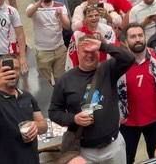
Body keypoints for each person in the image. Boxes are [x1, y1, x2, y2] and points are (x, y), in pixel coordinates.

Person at [49, 36, 133, 164]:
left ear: (99, 52)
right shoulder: (65, 80)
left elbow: (129, 58)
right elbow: (54, 112)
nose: (89, 55)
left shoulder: (108, 69)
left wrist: (103, 45)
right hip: (84, 152)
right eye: (84, 51)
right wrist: (74, 118)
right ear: (77, 52)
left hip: (114, 147)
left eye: (92, 51)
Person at [118, 24, 156, 163]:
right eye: (133, 37)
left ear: (145, 37)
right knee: (126, 159)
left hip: (155, 120)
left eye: (140, 35)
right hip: (128, 122)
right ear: (126, 42)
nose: (137, 39)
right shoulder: (118, 63)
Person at [0, 55, 47, 164]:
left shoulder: (27, 96)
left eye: (16, 69)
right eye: (7, 70)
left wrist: (35, 126)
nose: (12, 73)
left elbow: (44, 126)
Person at [25, 0, 70, 83]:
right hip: (43, 52)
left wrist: (61, 16)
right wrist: (39, 2)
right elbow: (28, 14)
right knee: (45, 83)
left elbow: (67, 26)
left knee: (60, 80)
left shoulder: (60, 6)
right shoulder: (34, 6)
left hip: (59, 50)